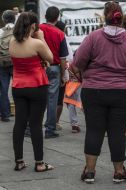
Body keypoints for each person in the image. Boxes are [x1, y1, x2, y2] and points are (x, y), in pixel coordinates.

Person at [70, 2, 126, 184]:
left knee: (94, 130)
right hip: (124, 93)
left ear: (104, 17)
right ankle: (119, 171)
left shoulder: (93, 37)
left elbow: (76, 64)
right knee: (118, 131)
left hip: (94, 90)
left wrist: (85, 78)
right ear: (121, 18)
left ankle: (89, 171)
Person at [9, 12, 54, 172]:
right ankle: (40, 163)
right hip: (37, 86)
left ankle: (19, 161)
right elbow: (51, 58)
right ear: (33, 26)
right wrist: (41, 37)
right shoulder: (36, 43)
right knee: (35, 124)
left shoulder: (12, 42)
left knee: (19, 123)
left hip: (18, 86)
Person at [40, 6, 69, 138]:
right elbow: (63, 58)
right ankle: (50, 129)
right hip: (54, 67)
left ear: (45, 16)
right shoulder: (60, 33)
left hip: (39, 66)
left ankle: (30, 127)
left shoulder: (37, 29)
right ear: (57, 18)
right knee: (52, 100)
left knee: (37, 98)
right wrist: (63, 75)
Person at [0, 10, 15, 122]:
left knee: (3, 89)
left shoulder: (0, 31)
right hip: (16, 62)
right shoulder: (18, 31)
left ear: (3, 20)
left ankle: (5, 114)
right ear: (14, 19)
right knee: (18, 87)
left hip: (2, 63)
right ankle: (20, 111)